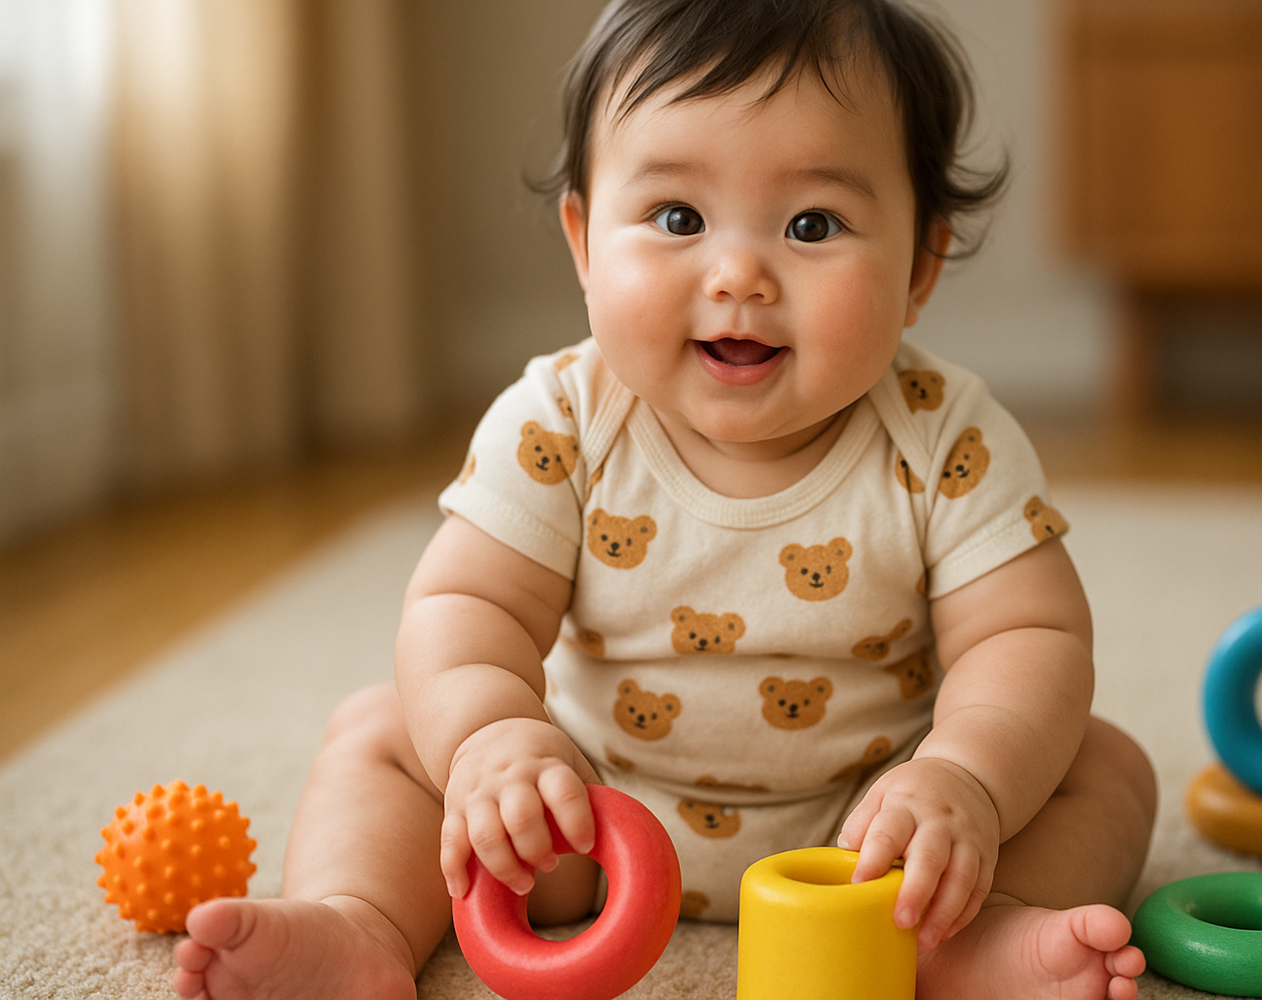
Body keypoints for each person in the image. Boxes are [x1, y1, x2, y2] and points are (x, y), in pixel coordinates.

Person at [171, 0, 1157, 997]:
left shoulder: (947, 432)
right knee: (381, 733)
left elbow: (1027, 635)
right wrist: (495, 738)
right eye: (677, 217)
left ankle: (970, 939)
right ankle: (360, 924)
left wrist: (966, 781)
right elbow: (466, 607)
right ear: (584, 243)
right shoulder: (560, 417)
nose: (738, 274)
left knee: (1099, 764)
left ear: (920, 266)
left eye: (812, 223)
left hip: (877, 836)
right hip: (584, 821)